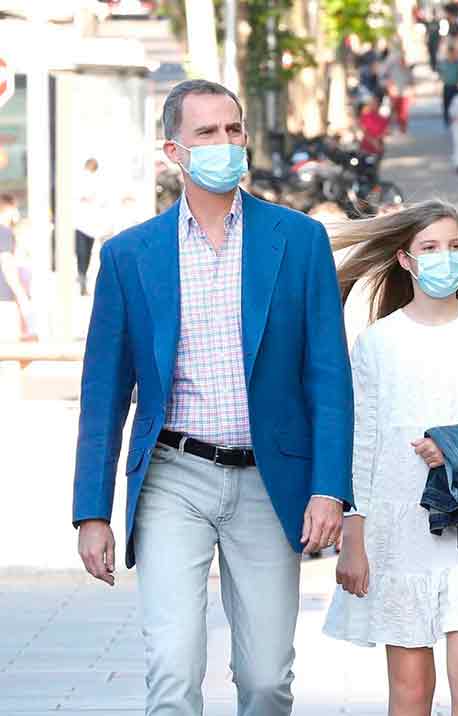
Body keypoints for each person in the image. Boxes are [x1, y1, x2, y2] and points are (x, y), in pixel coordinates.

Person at [72, 80, 354, 716]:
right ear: (174, 149)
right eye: (207, 133)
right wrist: (92, 510)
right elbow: (104, 396)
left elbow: (329, 376)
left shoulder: (299, 240)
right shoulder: (129, 256)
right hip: (173, 477)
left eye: (234, 129)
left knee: (264, 679)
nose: (226, 143)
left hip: (270, 480)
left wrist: (329, 488)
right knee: (172, 667)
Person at [323, 201, 458, 716]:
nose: (445, 257)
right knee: (411, 688)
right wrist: (354, 536)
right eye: (430, 247)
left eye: (455, 246)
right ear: (405, 260)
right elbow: (361, 442)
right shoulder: (377, 342)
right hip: (397, 531)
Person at [0, 194, 33, 341]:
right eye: (15, 208)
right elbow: (6, 263)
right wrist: (20, 294)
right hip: (4, 298)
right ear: (7, 208)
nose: (17, 213)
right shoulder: (4, 232)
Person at [76, 158, 108, 296]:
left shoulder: (82, 181)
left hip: (82, 224)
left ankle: (82, 277)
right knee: (86, 253)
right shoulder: (96, 182)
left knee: (82, 253)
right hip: (90, 225)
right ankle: (82, 278)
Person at [381, 45, 413, 134]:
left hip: (404, 92)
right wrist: (389, 85)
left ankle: (402, 128)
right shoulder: (390, 65)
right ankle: (389, 128)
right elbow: (382, 78)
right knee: (393, 111)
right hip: (394, 92)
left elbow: (410, 79)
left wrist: (411, 89)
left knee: (403, 112)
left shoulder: (405, 65)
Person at [438, 45, 458, 128]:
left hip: (456, 86)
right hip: (447, 86)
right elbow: (440, 74)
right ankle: (447, 121)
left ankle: (457, 120)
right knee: (446, 105)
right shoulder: (444, 63)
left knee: (457, 104)